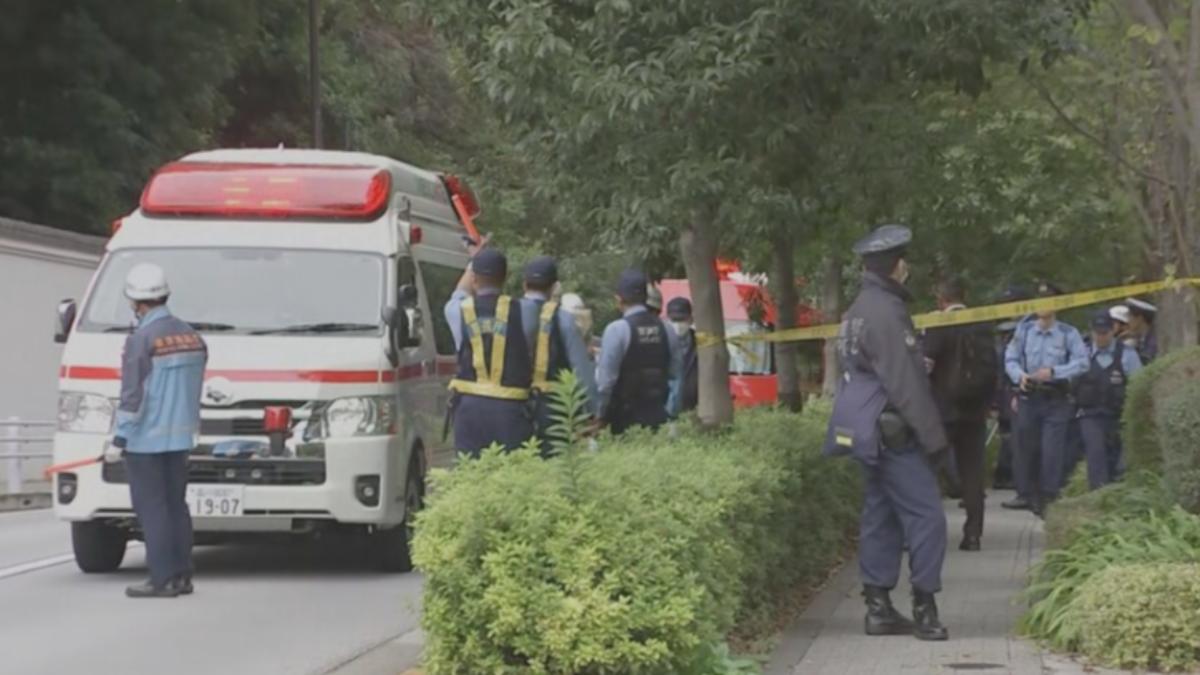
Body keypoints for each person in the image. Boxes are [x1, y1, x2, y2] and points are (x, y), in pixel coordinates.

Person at [824, 224, 949, 642]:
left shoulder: (859, 308)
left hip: (865, 429)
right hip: (895, 430)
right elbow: (905, 383)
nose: (907, 268)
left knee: (880, 514)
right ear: (896, 266)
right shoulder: (887, 313)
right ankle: (925, 606)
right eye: (904, 261)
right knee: (927, 516)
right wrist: (935, 441)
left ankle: (878, 607)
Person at [113, 263, 208, 598]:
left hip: (145, 440)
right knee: (175, 505)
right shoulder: (192, 336)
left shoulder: (141, 340)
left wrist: (120, 435)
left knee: (152, 508)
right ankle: (182, 575)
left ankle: (161, 578)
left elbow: (132, 394)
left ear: (136, 303)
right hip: (180, 437)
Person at [923, 276, 996, 552]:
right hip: (975, 412)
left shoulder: (938, 325)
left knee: (929, 470)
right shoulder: (982, 323)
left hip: (942, 410)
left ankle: (929, 533)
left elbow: (924, 365)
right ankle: (973, 534)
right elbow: (994, 368)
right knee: (973, 472)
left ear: (942, 301)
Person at [1003, 283, 1088, 516]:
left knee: (1052, 450)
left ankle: (1049, 496)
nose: (1042, 306)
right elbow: (1010, 358)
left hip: (1055, 397)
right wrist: (1019, 376)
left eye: (1048, 300)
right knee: (1026, 448)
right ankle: (1027, 493)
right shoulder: (1025, 330)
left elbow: (1082, 363)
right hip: (1029, 396)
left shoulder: (1068, 333)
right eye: (1039, 300)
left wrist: (1055, 372)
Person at [444, 247, 534, 457]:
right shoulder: (526, 311)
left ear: (474, 278)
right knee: (512, 472)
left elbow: (459, 292)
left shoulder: (458, 310)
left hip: (470, 411)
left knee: (470, 474)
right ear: (505, 277)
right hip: (512, 410)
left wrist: (473, 259)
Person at [519, 257, 599, 453]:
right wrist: (593, 411)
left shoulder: (508, 313)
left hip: (513, 405)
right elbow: (581, 371)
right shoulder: (564, 319)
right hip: (554, 408)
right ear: (554, 287)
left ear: (524, 284)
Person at [596, 269, 682, 434]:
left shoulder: (616, 330)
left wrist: (600, 415)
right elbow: (676, 374)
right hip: (658, 416)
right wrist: (671, 413)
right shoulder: (667, 329)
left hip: (623, 421)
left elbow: (606, 383)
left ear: (618, 300)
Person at [1073, 312, 1142, 489]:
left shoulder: (1127, 354)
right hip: (1090, 415)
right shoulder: (1082, 354)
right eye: (1097, 333)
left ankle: (1115, 495)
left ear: (1113, 331)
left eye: (1105, 333)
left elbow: (1138, 385)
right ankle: (1098, 495)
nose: (1101, 337)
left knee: (1117, 461)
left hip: (1118, 416)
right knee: (1096, 456)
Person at [666, 297, 700, 414]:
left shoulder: (701, 344)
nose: (678, 325)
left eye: (682, 320)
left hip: (691, 410)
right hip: (664, 410)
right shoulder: (660, 342)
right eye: (674, 320)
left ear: (691, 319)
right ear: (668, 320)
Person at [1124, 298, 1158, 364]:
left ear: (1140, 318)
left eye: (1130, 316)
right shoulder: (1140, 340)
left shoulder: (1152, 344)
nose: (1128, 321)